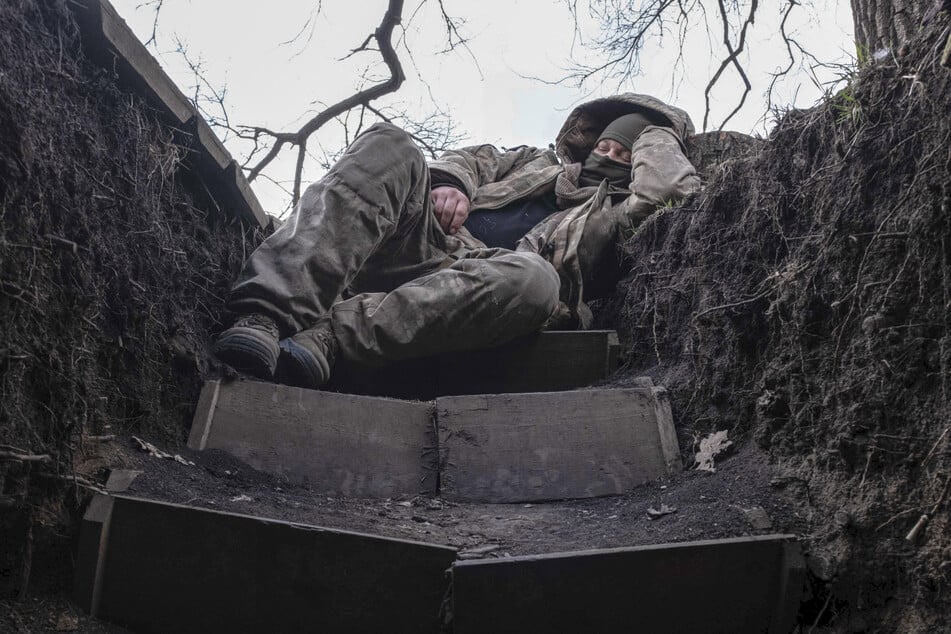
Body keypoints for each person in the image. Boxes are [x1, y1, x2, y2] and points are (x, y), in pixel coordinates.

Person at [214, 93, 700, 389]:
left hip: (481, 289)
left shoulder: (618, 213)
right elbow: (474, 159)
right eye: (603, 145)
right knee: (392, 143)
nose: (608, 154)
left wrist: (656, 133)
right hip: (424, 240)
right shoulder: (531, 160)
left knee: (536, 279)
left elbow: (670, 193)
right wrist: (450, 183)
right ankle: (266, 315)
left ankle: (330, 336)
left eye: (623, 151)